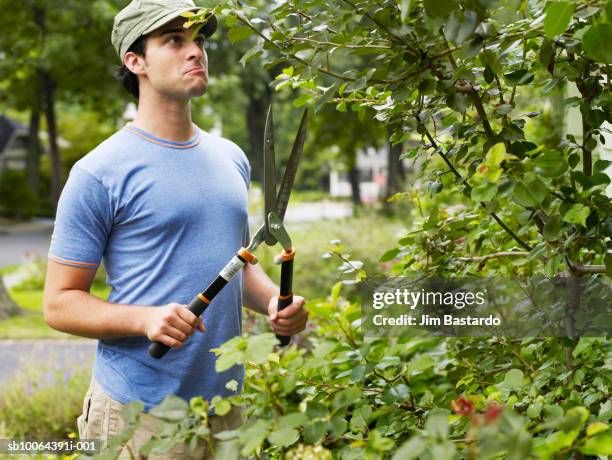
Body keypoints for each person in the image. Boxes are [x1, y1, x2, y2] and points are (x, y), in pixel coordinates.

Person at [42, 1, 308, 458]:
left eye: (200, 41)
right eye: (175, 41)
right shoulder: (99, 173)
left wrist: (273, 304)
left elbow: (235, 264)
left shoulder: (231, 158)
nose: (196, 52)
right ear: (135, 60)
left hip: (224, 410)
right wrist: (144, 319)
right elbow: (58, 303)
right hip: (138, 415)